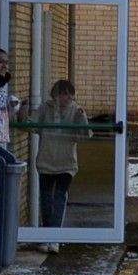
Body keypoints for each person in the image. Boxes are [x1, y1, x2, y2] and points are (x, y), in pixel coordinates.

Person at [29, 78, 86, 248]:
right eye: (62, 94)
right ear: (55, 95)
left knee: (59, 197)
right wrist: (23, 113)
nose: (66, 98)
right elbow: (31, 125)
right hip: (46, 161)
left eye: (69, 95)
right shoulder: (45, 108)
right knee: (46, 199)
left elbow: (83, 135)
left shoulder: (76, 110)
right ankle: (46, 235)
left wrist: (82, 119)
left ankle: (54, 237)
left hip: (66, 163)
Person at [0, 51, 18, 146]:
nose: (5, 66)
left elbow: (2, 113)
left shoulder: (2, 86)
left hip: (1, 138)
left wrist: (13, 107)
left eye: (6, 63)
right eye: (0, 62)